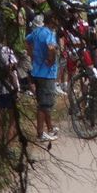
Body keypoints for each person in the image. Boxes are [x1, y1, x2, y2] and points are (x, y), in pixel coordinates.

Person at [26, 11, 59, 142]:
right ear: (52, 20)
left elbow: (27, 41)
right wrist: (51, 59)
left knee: (43, 103)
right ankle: (40, 133)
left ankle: (49, 128)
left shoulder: (37, 31)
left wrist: (31, 55)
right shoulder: (49, 34)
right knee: (45, 105)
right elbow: (51, 48)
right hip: (47, 74)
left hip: (37, 72)